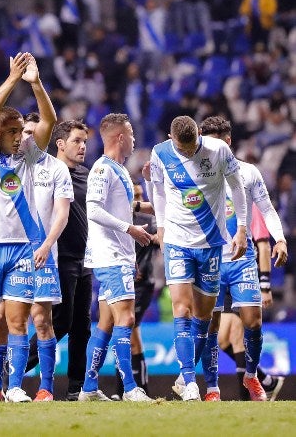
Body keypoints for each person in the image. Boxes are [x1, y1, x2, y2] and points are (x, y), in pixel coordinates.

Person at [0, 52, 56, 404]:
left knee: (19, 322)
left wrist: (34, 83)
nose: (19, 137)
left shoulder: (30, 155)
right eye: (12, 131)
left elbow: (49, 120)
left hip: (22, 248)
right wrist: (11, 79)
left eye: (21, 131)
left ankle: (16, 385)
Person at [149, 115, 247, 401]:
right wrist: (162, 229)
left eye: (193, 148)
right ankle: (190, 381)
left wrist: (241, 228)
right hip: (178, 242)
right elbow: (157, 190)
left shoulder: (218, 150)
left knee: (205, 317)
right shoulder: (160, 153)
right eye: (183, 149)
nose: (189, 153)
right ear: (171, 138)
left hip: (211, 243)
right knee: (182, 310)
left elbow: (238, 189)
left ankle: (186, 375)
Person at [196, 116, 288, 401]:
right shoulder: (197, 172)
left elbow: (268, 209)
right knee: (211, 326)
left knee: (253, 321)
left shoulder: (248, 173)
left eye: (217, 141)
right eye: (206, 142)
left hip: (242, 258)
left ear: (228, 141)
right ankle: (212, 388)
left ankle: (252, 376)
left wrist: (280, 238)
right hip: (209, 258)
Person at [0, 112, 73, 402]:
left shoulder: (56, 169)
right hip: (11, 250)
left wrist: (47, 244)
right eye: (23, 131)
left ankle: (46, 387)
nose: (26, 137)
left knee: (41, 319)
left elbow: (62, 213)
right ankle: (0, 385)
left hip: (43, 253)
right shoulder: (9, 165)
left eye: (31, 132)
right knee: (5, 318)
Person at [78, 113, 153, 402]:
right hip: (109, 256)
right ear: (120, 137)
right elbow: (94, 210)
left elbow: (125, 207)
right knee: (126, 318)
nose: (134, 139)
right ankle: (132, 389)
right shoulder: (102, 170)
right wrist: (130, 230)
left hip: (117, 255)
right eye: (131, 134)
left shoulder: (119, 170)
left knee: (107, 323)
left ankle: (88, 389)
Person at [24, 119, 92, 401]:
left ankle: (76, 388)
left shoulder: (87, 175)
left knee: (83, 326)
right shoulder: (47, 171)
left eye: (85, 142)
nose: (83, 147)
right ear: (60, 144)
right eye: (77, 141)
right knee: (60, 321)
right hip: (58, 257)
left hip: (85, 258)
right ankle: (12, 368)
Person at [217, 206, 285, 401]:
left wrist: (265, 286)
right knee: (222, 339)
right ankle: (266, 380)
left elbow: (263, 246)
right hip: (225, 274)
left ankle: (246, 399)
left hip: (245, 277)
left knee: (238, 338)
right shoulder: (222, 198)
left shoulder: (250, 207)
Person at [113, 177, 159, 398]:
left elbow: (161, 238)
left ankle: (128, 389)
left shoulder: (147, 221)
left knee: (126, 332)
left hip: (141, 284)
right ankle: (132, 388)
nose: (138, 202)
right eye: (135, 196)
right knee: (128, 333)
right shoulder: (119, 221)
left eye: (141, 196)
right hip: (122, 281)